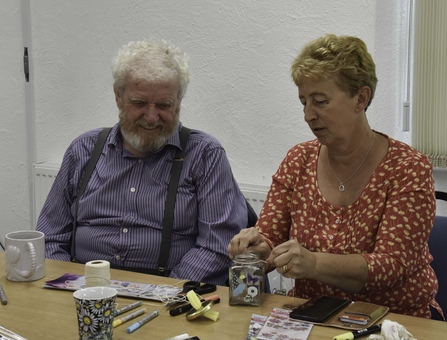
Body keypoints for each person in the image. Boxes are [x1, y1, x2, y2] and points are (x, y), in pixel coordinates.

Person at [228, 34, 443, 319]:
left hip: (395, 319)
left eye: (320, 101)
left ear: (361, 98)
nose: (308, 115)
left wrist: (314, 263)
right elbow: (270, 237)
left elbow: (390, 267)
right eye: (303, 101)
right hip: (311, 314)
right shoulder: (298, 160)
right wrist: (256, 250)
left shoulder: (407, 168)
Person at [37, 39, 248, 286]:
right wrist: (70, 284)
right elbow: (50, 238)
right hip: (84, 292)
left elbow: (217, 247)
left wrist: (163, 292)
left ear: (178, 102)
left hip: (169, 296)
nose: (151, 117)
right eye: (139, 103)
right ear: (118, 96)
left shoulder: (205, 155)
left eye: (163, 105)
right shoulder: (83, 150)